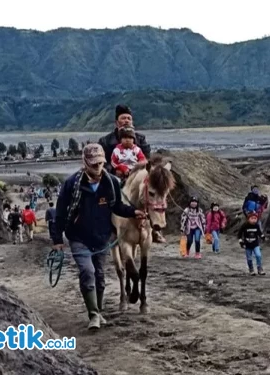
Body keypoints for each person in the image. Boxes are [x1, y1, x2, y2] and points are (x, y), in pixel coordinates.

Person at [53, 143, 146, 330]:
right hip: (78, 237)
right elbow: (61, 212)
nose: (97, 167)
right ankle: (93, 315)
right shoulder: (72, 184)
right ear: (85, 162)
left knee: (100, 276)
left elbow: (117, 206)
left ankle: (99, 310)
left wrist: (133, 212)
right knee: (88, 272)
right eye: (93, 164)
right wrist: (56, 240)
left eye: (100, 163)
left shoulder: (110, 182)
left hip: (102, 237)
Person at [98, 105, 164, 244]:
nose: (126, 120)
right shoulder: (105, 141)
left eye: (129, 118)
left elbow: (146, 159)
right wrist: (114, 170)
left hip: (137, 175)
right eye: (123, 118)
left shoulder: (140, 139)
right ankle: (106, 228)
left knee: (154, 192)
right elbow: (102, 162)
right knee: (105, 195)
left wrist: (138, 171)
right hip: (115, 175)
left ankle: (155, 229)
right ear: (117, 122)